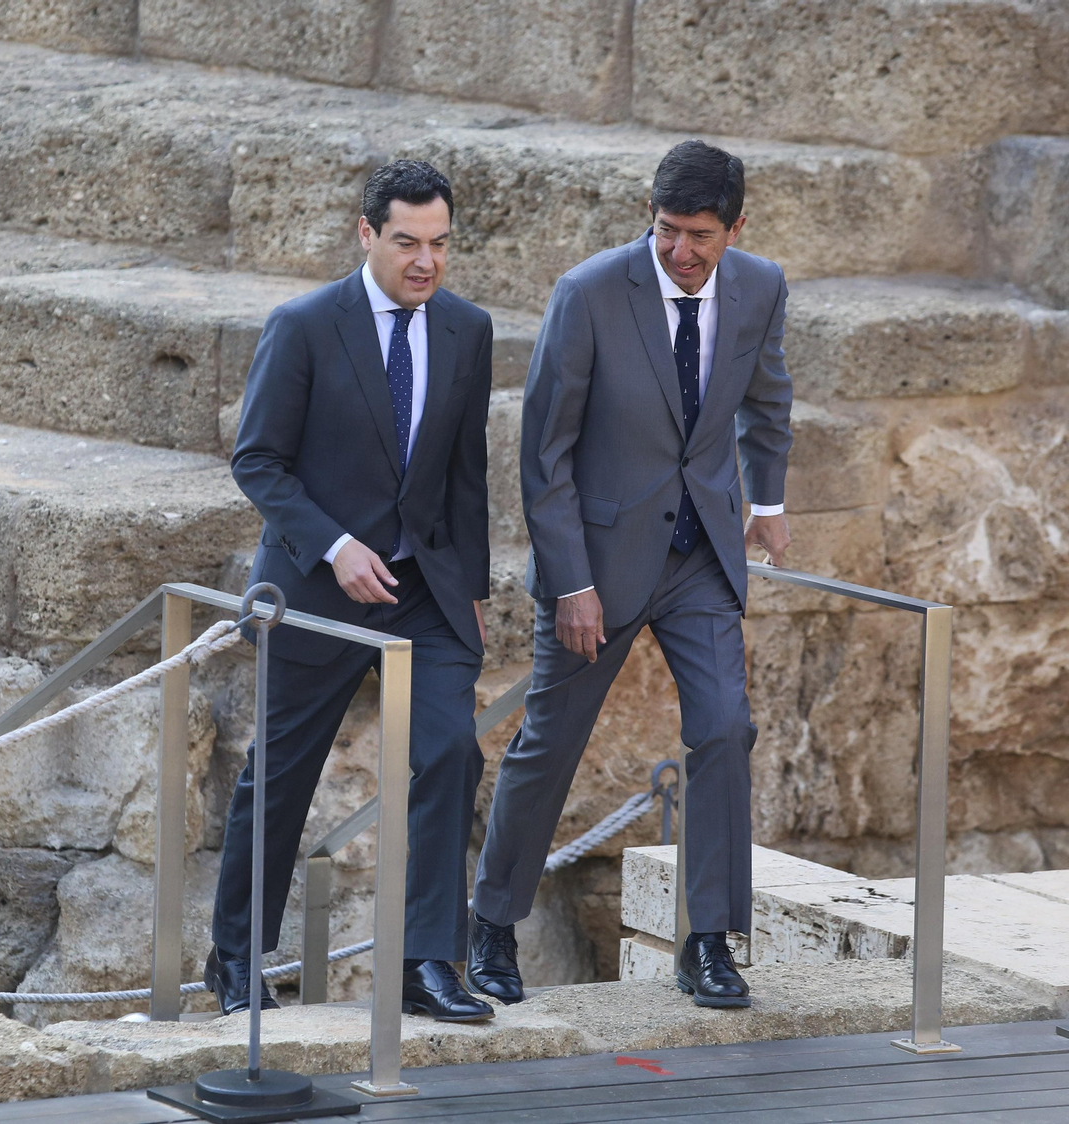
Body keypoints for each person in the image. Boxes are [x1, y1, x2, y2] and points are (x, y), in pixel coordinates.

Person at [468, 140, 794, 1010]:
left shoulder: (762, 286)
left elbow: (769, 398)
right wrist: (570, 582)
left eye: (699, 235)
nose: (680, 251)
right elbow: (546, 455)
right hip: (598, 568)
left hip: (702, 559)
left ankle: (708, 943)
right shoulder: (587, 293)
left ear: (735, 228)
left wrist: (767, 499)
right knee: (550, 746)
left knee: (727, 729)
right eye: (665, 231)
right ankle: (492, 925)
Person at [207, 159, 496, 1022]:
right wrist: (333, 547)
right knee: (283, 776)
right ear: (367, 234)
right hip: (315, 587)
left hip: (427, 590)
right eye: (407, 241)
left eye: (439, 243)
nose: (426, 261)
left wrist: (471, 586)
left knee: (450, 752)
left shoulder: (468, 330)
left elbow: (466, 474)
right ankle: (234, 964)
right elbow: (257, 461)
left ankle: (426, 963)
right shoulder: (303, 326)